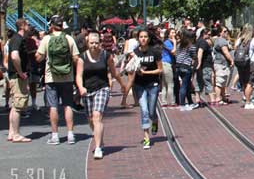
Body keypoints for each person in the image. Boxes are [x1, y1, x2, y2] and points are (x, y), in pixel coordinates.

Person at [75, 31, 126, 159]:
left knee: (97, 117)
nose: (94, 45)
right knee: (90, 119)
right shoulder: (82, 58)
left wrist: (122, 84)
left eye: (96, 43)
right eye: (91, 43)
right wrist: (81, 88)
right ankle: (100, 139)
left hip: (102, 88)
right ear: (87, 43)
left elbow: (114, 72)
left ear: (100, 43)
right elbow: (79, 75)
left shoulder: (105, 55)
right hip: (87, 90)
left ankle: (98, 148)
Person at [36, 15, 80, 145]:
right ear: (62, 25)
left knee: (53, 107)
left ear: (51, 26)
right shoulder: (69, 39)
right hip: (67, 77)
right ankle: (70, 134)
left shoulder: (46, 39)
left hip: (51, 78)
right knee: (68, 105)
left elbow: (38, 57)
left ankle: (55, 136)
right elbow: (76, 58)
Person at [132, 29, 163, 149]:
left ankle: (154, 120)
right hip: (139, 85)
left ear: (149, 39)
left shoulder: (154, 52)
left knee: (151, 111)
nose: (143, 39)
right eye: (141, 37)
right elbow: (130, 68)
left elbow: (160, 69)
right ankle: (146, 137)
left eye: (145, 37)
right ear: (138, 39)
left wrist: (147, 72)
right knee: (144, 110)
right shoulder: (135, 53)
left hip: (153, 84)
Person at [7, 19, 31, 143]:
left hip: (14, 76)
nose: (29, 26)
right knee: (18, 105)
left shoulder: (15, 39)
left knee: (15, 105)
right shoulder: (17, 39)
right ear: (22, 26)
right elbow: (14, 56)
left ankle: (12, 132)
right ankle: (16, 134)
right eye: (27, 24)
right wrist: (20, 72)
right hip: (17, 76)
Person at [234, 24, 254, 109]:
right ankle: (248, 102)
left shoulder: (239, 39)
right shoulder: (253, 40)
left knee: (244, 82)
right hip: (250, 63)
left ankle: (246, 99)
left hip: (240, 63)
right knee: (250, 83)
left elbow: (235, 48)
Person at [175, 29, 198, 111]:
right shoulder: (191, 46)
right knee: (184, 85)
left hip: (178, 66)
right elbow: (194, 57)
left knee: (187, 85)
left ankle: (191, 102)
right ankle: (182, 104)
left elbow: (176, 55)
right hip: (186, 67)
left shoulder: (179, 45)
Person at [213, 27, 234, 105]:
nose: (226, 32)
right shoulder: (221, 40)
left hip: (222, 63)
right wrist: (231, 60)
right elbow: (225, 52)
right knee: (220, 81)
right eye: (224, 31)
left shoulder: (222, 40)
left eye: (227, 31)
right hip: (220, 64)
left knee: (223, 82)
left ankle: (223, 97)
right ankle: (218, 98)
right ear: (220, 32)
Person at [196, 28, 215, 105]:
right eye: (209, 34)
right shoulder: (203, 42)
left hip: (201, 65)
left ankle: (197, 98)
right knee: (208, 81)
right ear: (204, 34)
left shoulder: (198, 41)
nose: (210, 36)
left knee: (199, 81)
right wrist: (200, 62)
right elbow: (200, 51)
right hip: (205, 64)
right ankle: (212, 99)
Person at [160, 28, 176, 107]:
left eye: (174, 32)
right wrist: (175, 42)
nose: (174, 34)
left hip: (164, 64)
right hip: (166, 64)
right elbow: (173, 52)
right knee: (170, 84)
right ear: (168, 34)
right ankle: (172, 101)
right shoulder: (167, 42)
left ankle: (164, 101)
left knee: (164, 84)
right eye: (172, 32)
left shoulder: (166, 42)